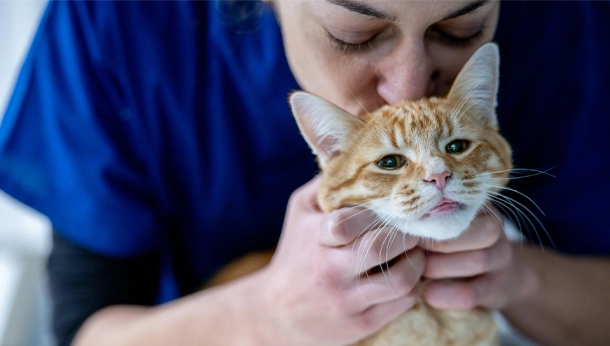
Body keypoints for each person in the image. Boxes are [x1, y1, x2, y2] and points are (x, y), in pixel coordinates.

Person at [0, 0, 609, 345]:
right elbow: (86, 330)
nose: (407, 86)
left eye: (460, 30)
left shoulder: (572, 22)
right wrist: (267, 311)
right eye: (356, 34)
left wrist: (517, 280)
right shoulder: (118, 23)